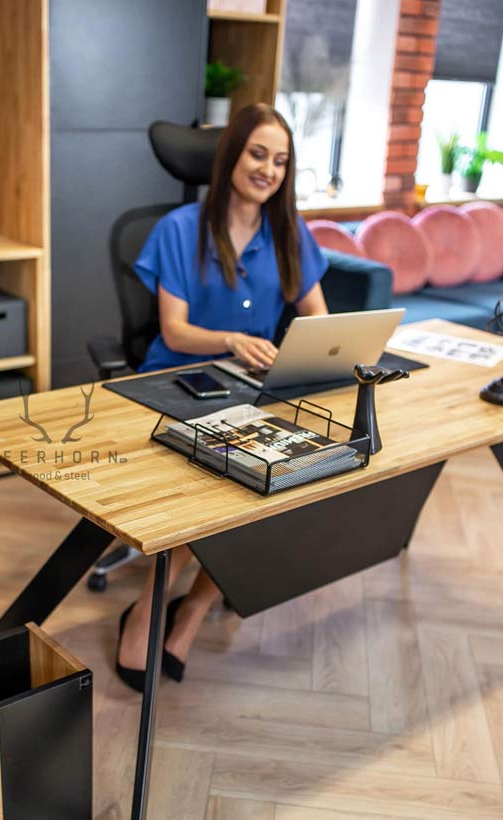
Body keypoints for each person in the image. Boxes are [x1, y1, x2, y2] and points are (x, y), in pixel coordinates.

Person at [116, 102, 329, 693]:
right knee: (222, 487)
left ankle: (190, 612)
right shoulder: (178, 229)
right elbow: (175, 332)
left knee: (281, 483)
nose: (268, 170)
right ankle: (147, 610)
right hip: (181, 380)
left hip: (252, 389)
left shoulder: (289, 232)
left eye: (280, 161)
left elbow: (320, 320)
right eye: (257, 154)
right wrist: (233, 339)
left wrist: (312, 350)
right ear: (232, 154)